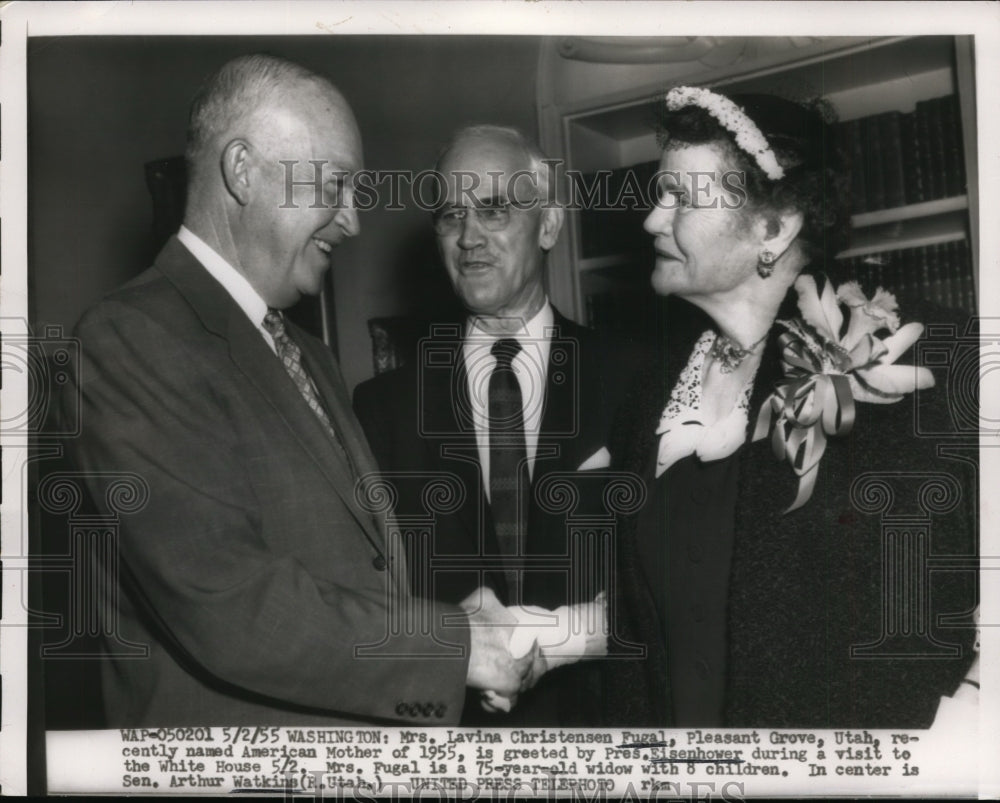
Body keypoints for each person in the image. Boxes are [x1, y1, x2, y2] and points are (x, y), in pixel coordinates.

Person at [61, 55, 533, 727]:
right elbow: (225, 599)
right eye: (335, 185)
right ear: (242, 171)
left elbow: (339, 575)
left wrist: (448, 624)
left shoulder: (307, 352)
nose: (352, 221)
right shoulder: (128, 339)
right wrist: (456, 647)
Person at [602, 88, 978, 728]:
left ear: (774, 228)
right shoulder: (652, 391)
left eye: (682, 199)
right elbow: (660, 610)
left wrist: (967, 720)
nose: (651, 221)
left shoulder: (932, 355)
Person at [353, 125, 635, 724]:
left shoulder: (635, 378)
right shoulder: (384, 408)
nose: (469, 238)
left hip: (609, 729)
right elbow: (370, 599)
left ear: (550, 226)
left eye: (495, 210)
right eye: (451, 216)